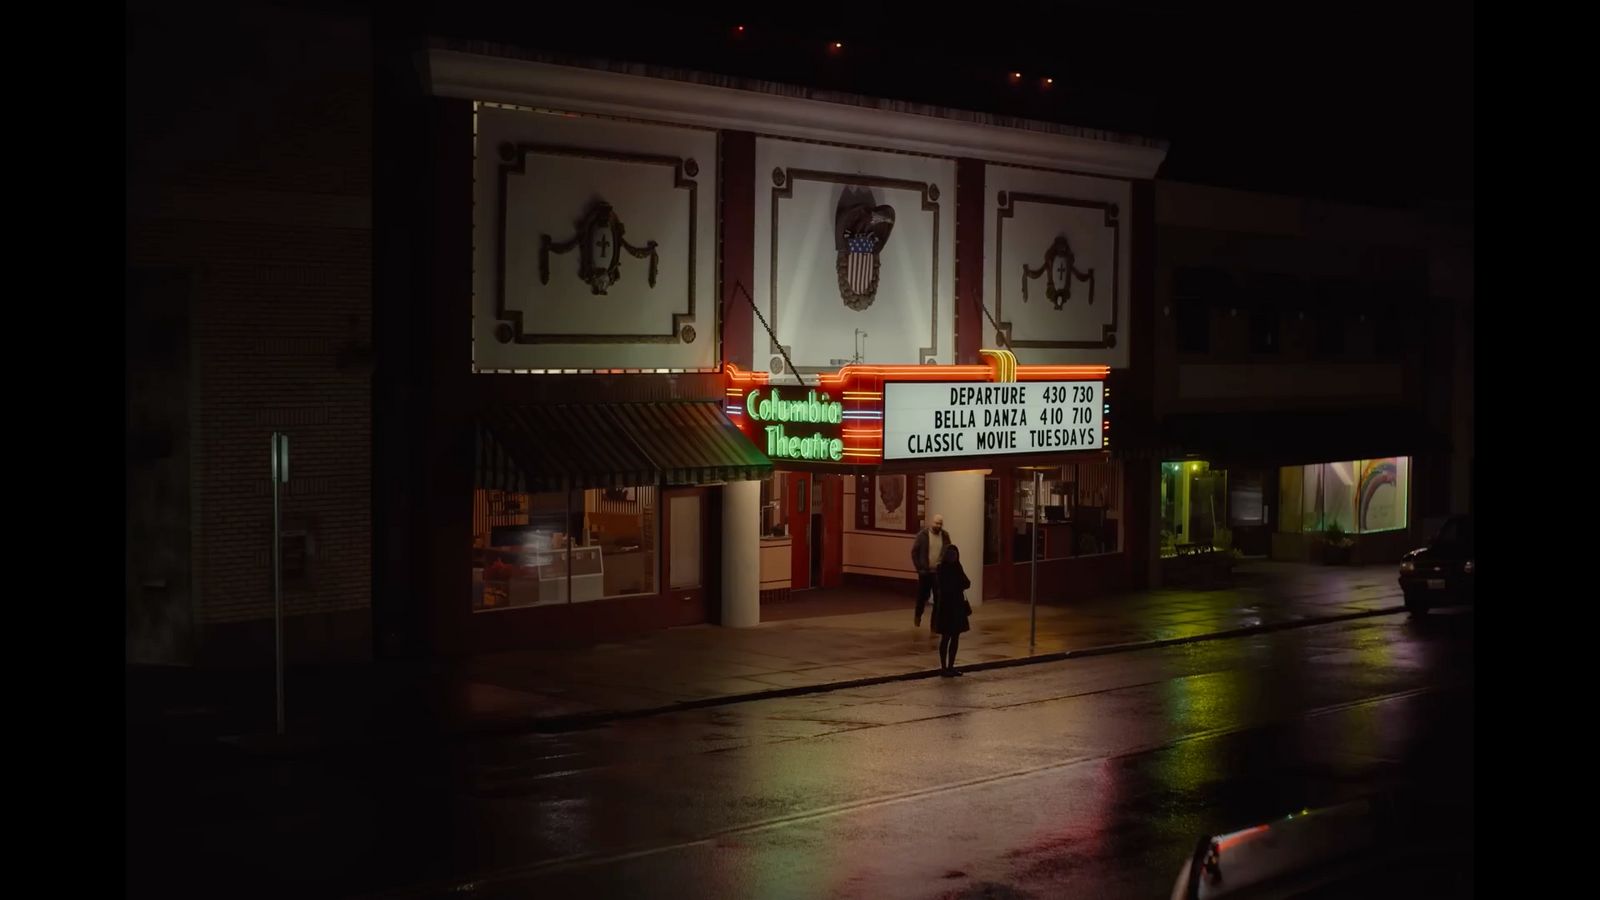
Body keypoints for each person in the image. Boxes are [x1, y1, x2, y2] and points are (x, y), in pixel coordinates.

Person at [932, 543, 972, 676]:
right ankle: (944, 667)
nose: (953, 557)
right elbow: (946, 587)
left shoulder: (956, 567)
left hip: (957, 606)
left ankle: (951, 666)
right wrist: (957, 585)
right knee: (947, 637)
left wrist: (958, 584)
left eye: (954, 555)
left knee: (955, 637)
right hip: (947, 607)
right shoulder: (942, 569)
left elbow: (967, 583)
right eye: (951, 555)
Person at [910, 514, 947, 629]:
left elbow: (949, 551)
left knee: (938, 598)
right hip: (925, 572)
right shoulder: (923, 535)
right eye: (936, 523)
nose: (938, 525)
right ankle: (918, 616)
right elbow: (914, 552)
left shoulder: (945, 536)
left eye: (940, 523)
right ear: (931, 522)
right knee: (922, 597)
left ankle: (934, 624)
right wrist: (919, 568)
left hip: (938, 573)